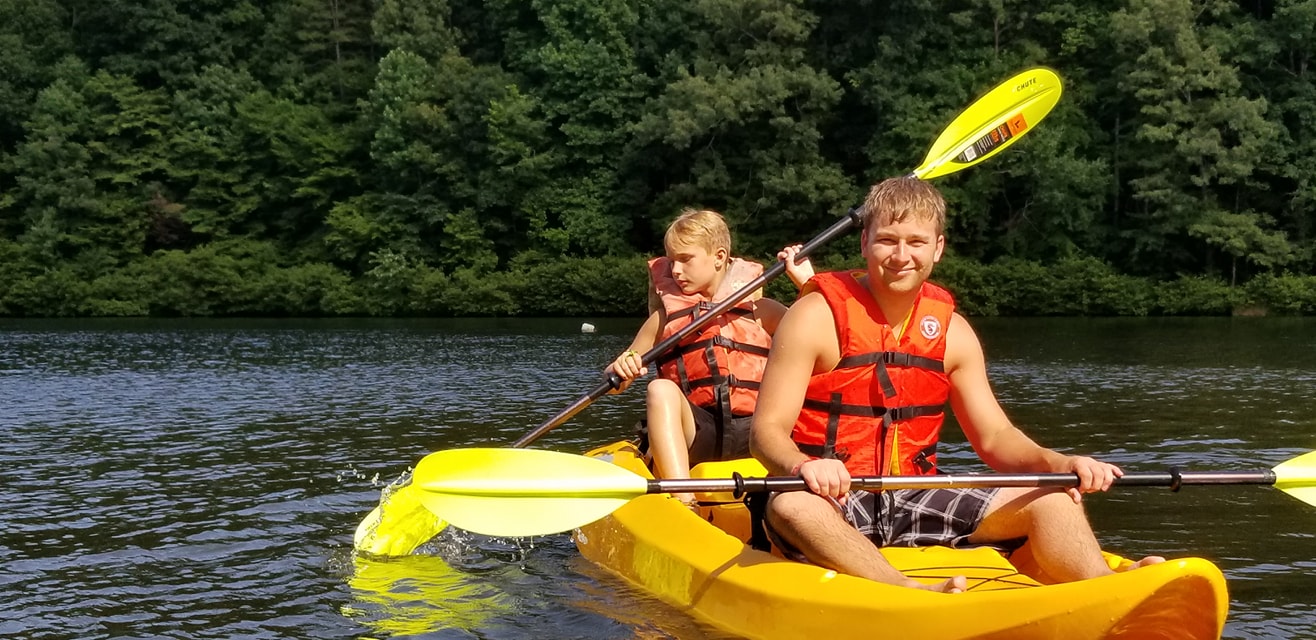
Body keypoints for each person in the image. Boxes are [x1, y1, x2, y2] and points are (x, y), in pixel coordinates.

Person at [748, 177, 1163, 593]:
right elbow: (766, 433)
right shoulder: (813, 317)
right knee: (792, 506)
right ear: (864, 243)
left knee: (1054, 497)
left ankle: (1107, 588)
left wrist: (1059, 463)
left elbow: (996, 437)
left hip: (915, 492)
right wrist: (803, 467)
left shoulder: (953, 332)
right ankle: (905, 591)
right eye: (887, 240)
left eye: (916, 242)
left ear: (938, 248)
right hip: (828, 495)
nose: (900, 256)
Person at [608, 208, 814, 506]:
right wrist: (622, 366)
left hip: (759, 433)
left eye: (686, 259)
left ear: (719, 257)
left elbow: (826, 346)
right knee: (659, 388)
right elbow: (618, 379)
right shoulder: (664, 319)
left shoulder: (761, 311)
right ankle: (682, 498)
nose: (676, 270)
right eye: (671, 261)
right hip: (698, 433)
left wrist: (807, 286)